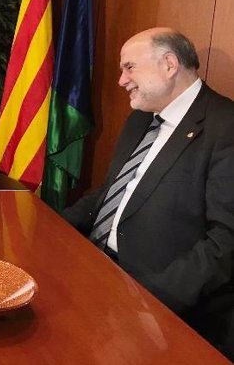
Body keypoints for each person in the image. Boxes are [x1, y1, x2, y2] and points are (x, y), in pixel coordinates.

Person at [63, 27, 234, 358]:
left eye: (129, 67)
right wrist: (53, 227)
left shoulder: (225, 128)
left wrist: (149, 300)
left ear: (169, 64)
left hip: (159, 301)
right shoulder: (140, 119)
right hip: (97, 272)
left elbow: (226, 241)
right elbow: (111, 191)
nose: (121, 80)